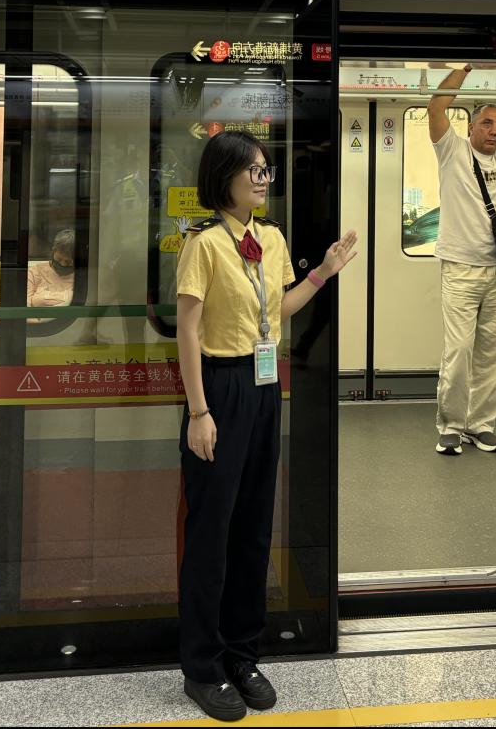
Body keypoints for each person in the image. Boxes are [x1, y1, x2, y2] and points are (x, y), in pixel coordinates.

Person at [175, 130, 356, 721]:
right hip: (219, 389)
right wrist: (199, 412)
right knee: (211, 533)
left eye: (265, 170)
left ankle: (241, 654)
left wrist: (323, 271)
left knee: (254, 529)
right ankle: (202, 667)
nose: (262, 179)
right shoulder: (203, 244)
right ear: (223, 176)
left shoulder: (271, 238)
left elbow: (276, 308)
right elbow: (188, 332)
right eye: (252, 170)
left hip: (263, 386)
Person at [428, 64, 496, 456]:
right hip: (461, 269)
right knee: (459, 350)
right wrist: (464, 68)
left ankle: (480, 424)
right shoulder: (451, 150)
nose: (495, 131)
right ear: (472, 127)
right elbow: (436, 108)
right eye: (487, 124)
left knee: (495, 351)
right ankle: (450, 426)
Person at [27, 228, 75, 307]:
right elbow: (25, 304)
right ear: (53, 251)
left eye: (68, 262)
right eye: (59, 259)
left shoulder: (81, 277)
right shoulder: (34, 272)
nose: (62, 264)